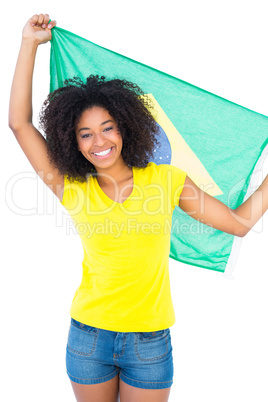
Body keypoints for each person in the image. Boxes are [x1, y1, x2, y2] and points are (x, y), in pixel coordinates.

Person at [9, 13, 268, 402]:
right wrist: (28, 43)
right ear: (74, 143)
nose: (99, 140)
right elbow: (19, 124)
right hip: (88, 340)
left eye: (108, 127)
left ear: (125, 128)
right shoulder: (71, 186)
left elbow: (238, 223)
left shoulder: (167, 181)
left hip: (149, 345)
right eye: (86, 133)